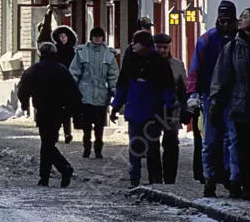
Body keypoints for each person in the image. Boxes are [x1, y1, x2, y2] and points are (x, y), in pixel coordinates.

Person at [210, 8, 250, 200]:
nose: (240, 20)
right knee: (243, 147)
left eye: (245, 17)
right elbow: (222, 75)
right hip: (240, 104)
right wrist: (216, 101)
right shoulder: (233, 47)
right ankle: (246, 184)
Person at [187, 0, 238, 197]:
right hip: (211, 95)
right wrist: (193, 93)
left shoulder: (238, 39)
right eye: (222, 19)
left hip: (234, 96)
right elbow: (196, 67)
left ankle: (231, 178)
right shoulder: (207, 40)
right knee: (210, 140)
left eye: (229, 20)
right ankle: (209, 178)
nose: (225, 24)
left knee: (231, 140)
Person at [111, 31, 175, 188]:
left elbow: (168, 88)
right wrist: (116, 106)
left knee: (152, 147)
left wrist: (168, 107)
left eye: (135, 42)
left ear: (145, 44)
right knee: (135, 147)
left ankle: (155, 180)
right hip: (135, 111)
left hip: (154, 112)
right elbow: (123, 84)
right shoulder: (131, 60)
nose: (132, 44)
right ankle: (135, 179)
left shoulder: (159, 63)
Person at [18, 41, 82, 187]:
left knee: (46, 143)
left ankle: (61, 169)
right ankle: (47, 176)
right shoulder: (62, 70)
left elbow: (23, 89)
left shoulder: (34, 69)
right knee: (48, 143)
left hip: (42, 110)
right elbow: (74, 92)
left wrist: (24, 103)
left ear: (39, 53)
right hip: (59, 111)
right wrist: (72, 110)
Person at [69, 26, 119, 158]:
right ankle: (86, 148)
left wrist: (113, 89)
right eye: (95, 36)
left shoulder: (109, 54)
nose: (97, 39)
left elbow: (113, 74)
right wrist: (72, 88)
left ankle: (98, 148)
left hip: (102, 94)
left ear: (103, 38)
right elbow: (74, 71)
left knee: (99, 125)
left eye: (100, 36)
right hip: (85, 93)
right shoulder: (82, 52)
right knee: (86, 125)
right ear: (91, 37)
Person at [154, 34, 188, 185]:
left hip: (172, 110)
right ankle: (155, 178)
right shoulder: (148, 63)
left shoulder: (177, 65)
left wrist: (186, 109)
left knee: (171, 144)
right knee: (152, 144)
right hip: (152, 109)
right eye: (159, 47)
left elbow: (183, 89)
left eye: (165, 47)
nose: (162, 50)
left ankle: (169, 179)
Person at [51, 18, 78, 143]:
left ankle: (68, 133)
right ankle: (56, 132)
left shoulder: (73, 52)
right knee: (56, 110)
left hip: (69, 83)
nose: (63, 38)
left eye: (65, 36)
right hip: (56, 84)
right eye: (61, 36)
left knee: (67, 110)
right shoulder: (54, 52)